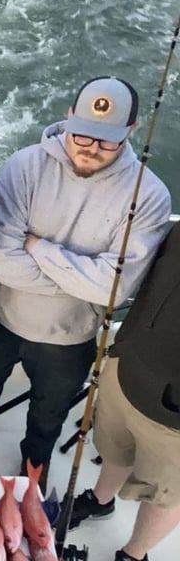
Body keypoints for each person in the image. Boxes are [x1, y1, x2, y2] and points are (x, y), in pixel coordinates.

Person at [0, 76, 171, 490]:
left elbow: (113, 291)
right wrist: (82, 275)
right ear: (69, 116)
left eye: (107, 141)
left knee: (50, 412)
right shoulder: (24, 165)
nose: (90, 148)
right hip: (2, 318)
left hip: (72, 337)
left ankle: (35, 461)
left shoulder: (150, 196)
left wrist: (39, 247)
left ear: (132, 131)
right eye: (84, 134)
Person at [68, 223, 180, 561]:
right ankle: (100, 500)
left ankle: (133, 553)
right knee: (114, 447)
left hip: (172, 413)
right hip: (126, 367)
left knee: (166, 492)